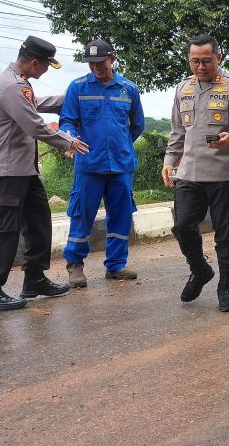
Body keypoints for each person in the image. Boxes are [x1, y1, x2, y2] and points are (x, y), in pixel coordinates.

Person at [0, 36, 90, 313]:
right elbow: (33, 124)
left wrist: (73, 98)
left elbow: (36, 103)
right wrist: (68, 142)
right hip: (6, 171)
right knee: (2, 231)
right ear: (35, 62)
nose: (46, 71)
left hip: (23, 170)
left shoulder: (19, 83)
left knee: (39, 223)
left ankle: (34, 279)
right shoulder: (12, 84)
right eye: (46, 66)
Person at [161, 35, 229, 311]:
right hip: (189, 173)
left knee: (226, 234)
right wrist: (170, 160)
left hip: (225, 175)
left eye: (206, 60)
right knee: (182, 226)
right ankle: (200, 269)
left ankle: (225, 286)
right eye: (195, 61)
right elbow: (178, 131)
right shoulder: (183, 89)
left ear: (219, 58)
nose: (201, 66)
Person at [59, 39, 145, 287]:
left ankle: (116, 265)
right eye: (91, 63)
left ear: (113, 58)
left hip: (121, 165)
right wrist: (70, 139)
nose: (95, 67)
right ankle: (75, 265)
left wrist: (122, 144)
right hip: (89, 165)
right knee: (81, 215)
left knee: (121, 217)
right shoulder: (77, 88)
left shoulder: (128, 89)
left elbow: (137, 124)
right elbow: (67, 121)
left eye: (100, 62)